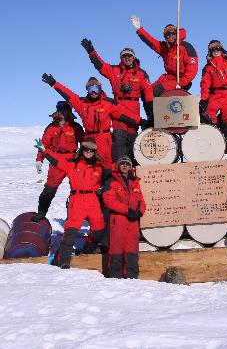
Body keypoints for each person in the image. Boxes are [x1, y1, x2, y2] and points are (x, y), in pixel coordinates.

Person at [41, 74, 139, 173]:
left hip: (104, 138)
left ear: (100, 89)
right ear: (87, 90)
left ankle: (107, 186)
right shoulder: (82, 103)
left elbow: (125, 114)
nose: (93, 91)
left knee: (107, 165)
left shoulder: (108, 103)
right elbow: (68, 95)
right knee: (89, 165)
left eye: (96, 88)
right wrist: (54, 83)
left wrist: (140, 120)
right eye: (90, 88)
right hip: (89, 138)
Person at [34, 137, 105, 269]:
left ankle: (88, 249)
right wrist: (44, 151)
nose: (88, 152)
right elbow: (57, 161)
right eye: (86, 149)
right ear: (82, 150)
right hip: (77, 200)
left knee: (99, 228)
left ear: (95, 152)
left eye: (91, 150)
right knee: (71, 231)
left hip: (93, 200)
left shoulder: (99, 166)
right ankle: (63, 259)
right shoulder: (73, 164)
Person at [81, 39, 153, 159]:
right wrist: (91, 51)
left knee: (133, 140)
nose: (127, 58)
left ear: (134, 57)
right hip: (117, 107)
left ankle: (132, 167)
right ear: (121, 58)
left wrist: (150, 105)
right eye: (124, 56)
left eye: (129, 55)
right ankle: (118, 166)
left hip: (133, 107)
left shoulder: (141, 73)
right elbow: (100, 65)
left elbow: (148, 89)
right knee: (119, 140)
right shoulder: (114, 70)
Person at [32, 101, 84, 222]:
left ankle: (79, 215)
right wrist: (39, 159)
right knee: (49, 189)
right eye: (61, 114)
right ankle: (41, 212)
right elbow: (43, 144)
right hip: (55, 161)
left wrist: (81, 156)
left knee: (79, 188)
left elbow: (84, 142)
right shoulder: (51, 128)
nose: (62, 117)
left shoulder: (75, 127)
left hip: (72, 160)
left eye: (65, 114)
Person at [130, 15, 198, 96]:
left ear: (177, 34)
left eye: (173, 33)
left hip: (180, 80)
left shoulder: (186, 47)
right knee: (147, 91)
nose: (170, 36)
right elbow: (151, 41)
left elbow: (192, 69)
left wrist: (181, 83)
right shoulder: (164, 48)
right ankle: (152, 108)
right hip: (168, 78)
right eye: (167, 34)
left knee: (156, 90)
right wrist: (139, 29)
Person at [102, 155, 146, 279]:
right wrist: (127, 211)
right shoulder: (112, 181)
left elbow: (141, 200)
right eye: (122, 164)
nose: (125, 166)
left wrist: (140, 212)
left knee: (132, 250)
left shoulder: (135, 182)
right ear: (118, 166)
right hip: (118, 220)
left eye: (127, 164)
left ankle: (132, 278)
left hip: (133, 222)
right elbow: (108, 200)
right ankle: (115, 277)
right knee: (116, 249)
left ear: (130, 167)